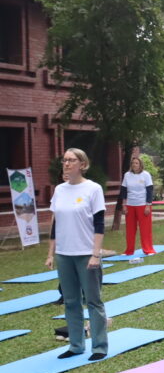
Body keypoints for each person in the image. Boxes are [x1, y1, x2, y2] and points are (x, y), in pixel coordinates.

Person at [46, 148, 108, 360]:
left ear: (82, 164)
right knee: (71, 301)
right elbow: (55, 225)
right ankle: (75, 345)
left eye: (71, 160)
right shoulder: (60, 190)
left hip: (86, 253)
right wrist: (51, 253)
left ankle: (99, 347)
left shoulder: (93, 189)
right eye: (64, 160)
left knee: (93, 301)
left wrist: (95, 254)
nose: (67, 163)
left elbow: (99, 225)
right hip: (64, 254)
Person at [120, 155, 155, 255]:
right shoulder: (127, 175)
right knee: (130, 229)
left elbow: (149, 191)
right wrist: (124, 205)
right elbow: (124, 190)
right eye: (133, 163)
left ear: (140, 165)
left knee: (145, 229)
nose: (134, 165)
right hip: (130, 205)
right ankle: (129, 250)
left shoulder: (146, 175)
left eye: (136, 163)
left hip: (143, 204)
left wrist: (148, 205)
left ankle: (148, 250)